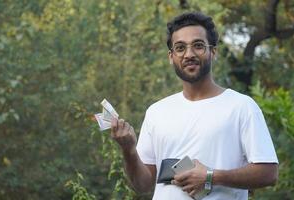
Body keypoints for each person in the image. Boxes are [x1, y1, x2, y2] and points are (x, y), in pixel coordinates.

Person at [110, 12, 278, 200]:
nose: (189, 54)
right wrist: (129, 150)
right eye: (180, 48)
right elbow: (143, 185)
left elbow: (269, 173)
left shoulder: (242, 106)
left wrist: (211, 177)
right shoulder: (156, 112)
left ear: (213, 52)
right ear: (171, 56)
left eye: (198, 46)